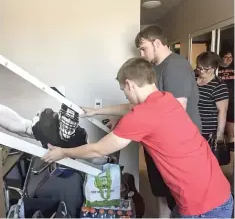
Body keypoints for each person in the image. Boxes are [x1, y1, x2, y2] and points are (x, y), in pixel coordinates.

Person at [42, 57, 233, 218]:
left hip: (203, 206)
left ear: (129, 84)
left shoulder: (141, 116)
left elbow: (98, 149)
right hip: (218, 191)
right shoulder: (166, 99)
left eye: (123, 90)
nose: (125, 95)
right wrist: (97, 111)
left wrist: (63, 152)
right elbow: (131, 107)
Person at [135, 25, 202, 214]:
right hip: (160, 141)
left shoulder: (175, 65)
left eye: (143, 48)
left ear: (157, 43)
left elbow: (175, 110)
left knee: (180, 194)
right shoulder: (156, 68)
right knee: (161, 190)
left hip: (179, 143)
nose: (141, 53)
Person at [196, 51, 229, 141]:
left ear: (214, 68)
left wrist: (219, 135)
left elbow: (222, 111)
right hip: (191, 128)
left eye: (205, 69)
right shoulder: (193, 78)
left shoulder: (218, 85)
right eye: (199, 68)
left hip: (207, 132)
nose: (201, 71)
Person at [218, 50, 234, 152]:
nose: (228, 59)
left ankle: (230, 157)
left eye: (230, 57)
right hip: (219, 102)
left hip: (232, 103)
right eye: (226, 57)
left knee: (232, 133)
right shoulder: (216, 69)